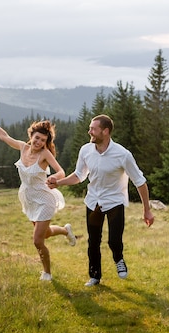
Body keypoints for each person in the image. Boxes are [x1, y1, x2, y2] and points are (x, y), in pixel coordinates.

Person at [47, 114, 154, 286]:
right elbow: (79, 175)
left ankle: (118, 258)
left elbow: (140, 182)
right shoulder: (86, 150)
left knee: (114, 240)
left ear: (105, 131)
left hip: (114, 202)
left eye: (93, 129)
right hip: (93, 201)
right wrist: (59, 183)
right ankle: (95, 275)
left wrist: (146, 209)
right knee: (93, 240)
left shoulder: (122, 154)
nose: (89, 131)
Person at [0, 112, 77, 282]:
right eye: (37, 138)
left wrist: (54, 178)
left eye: (43, 140)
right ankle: (65, 230)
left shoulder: (45, 154)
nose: (39, 142)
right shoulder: (23, 147)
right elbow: (4, 136)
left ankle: (47, 273)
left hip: (44, 199)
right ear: (31, 136)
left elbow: (61, 171)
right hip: (28, 198)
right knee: (46, 234)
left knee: (37, 240)